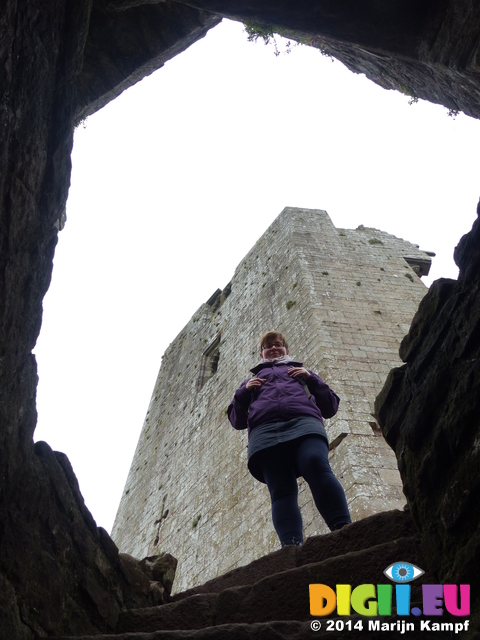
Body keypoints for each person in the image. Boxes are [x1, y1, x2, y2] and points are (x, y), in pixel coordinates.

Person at [228, 330, 351, 547]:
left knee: (314, 462)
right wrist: (243, 392)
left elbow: (330, 407)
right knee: (280, 487)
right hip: (265, 434)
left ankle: (344, 529)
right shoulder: (251, 382)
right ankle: (291, 546)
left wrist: (311, 378)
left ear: (287, 349)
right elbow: (236, 420)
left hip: (304, 424)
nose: (273, 348)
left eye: (278, 344)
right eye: (268, 346)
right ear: (261, 354)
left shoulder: (303, 373)